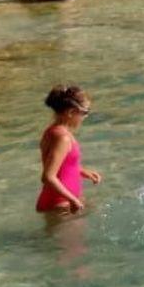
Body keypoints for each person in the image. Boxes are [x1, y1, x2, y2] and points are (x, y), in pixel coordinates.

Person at [36, 85, 100, 215]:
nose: (85, 117)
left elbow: (61, 165)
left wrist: (83, 172)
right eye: (84, 112)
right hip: (60, 203)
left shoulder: (53, 131)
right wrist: (73, 200)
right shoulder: (63, 138)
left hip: (62, 200)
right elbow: (48, 177)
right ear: (71, 112)